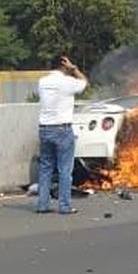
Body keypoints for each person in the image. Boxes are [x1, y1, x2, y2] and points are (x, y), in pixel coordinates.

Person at [36, 54, 88, 214]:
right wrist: (75, 69)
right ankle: (64, 206)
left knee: (45, 168)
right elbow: (85, 83)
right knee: (65, 170)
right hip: (62, 129)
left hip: (44, 128)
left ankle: (42, 205)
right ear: (64, 64)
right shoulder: (68, 82)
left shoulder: (42, 82)